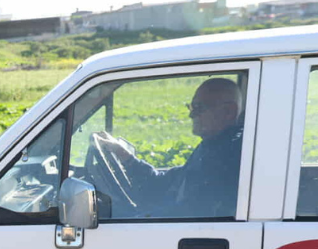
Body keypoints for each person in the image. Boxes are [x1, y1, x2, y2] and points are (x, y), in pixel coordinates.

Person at [101, 77, 244, 218]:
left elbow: (189, 211)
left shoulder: (227, 158)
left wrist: (138, 220)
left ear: (228, 112)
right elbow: (165, 182)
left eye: (199, 108)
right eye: (191, 107)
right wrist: (124, 155)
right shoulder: (211, 146)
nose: (191, 115)